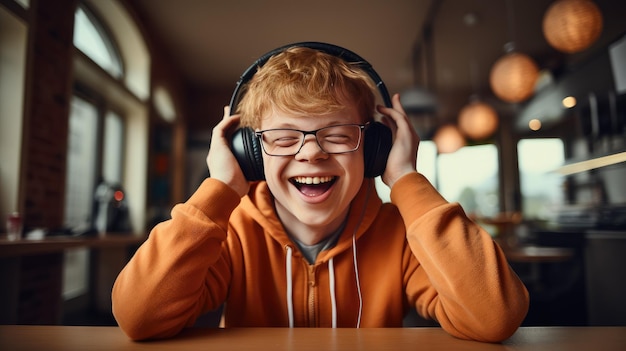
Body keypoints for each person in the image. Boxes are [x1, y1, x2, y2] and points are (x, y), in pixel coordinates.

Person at [111, 43, 529, 343]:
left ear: (375, 148)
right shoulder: (230, 232)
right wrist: (219, 190)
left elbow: (495, 316)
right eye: (282, 136)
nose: (311, 152)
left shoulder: (399, 235)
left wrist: (405, 179)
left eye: (338, 134)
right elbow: (139, 317)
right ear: (250, 153)